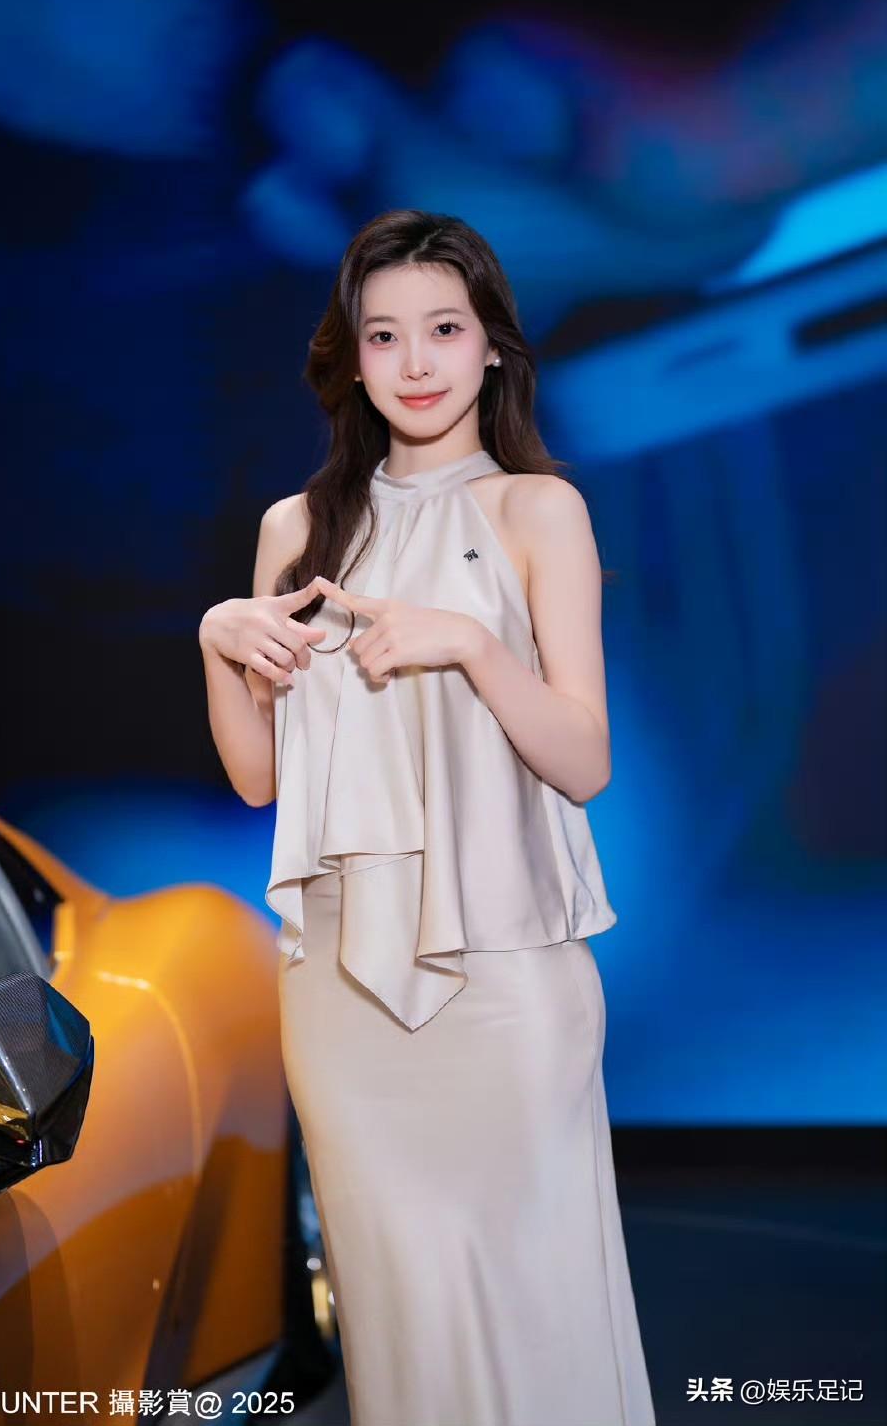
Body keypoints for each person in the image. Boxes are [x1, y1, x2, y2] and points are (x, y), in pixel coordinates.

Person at [199, 208, 656, 1426]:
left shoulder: (537, 511)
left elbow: (586, 759)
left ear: (491, 346)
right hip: (341, 986)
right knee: (397, 1303)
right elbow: (258, 779)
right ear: (350, 359)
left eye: (444, 329)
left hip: (508, 976)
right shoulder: (295, 530)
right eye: (385, 334)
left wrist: (469, 644)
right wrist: (217, 642)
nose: (416, 362)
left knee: (536, 1297)